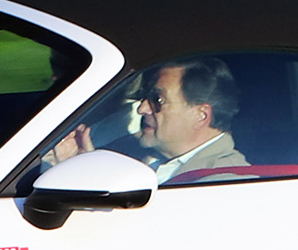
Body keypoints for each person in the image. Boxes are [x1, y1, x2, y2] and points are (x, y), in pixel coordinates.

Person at [46, 57, 249, 183]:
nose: (142, 109)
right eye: (145, 98)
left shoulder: (227, 182)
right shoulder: (127, 150)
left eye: (157, 100)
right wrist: (76, 167)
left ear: (201, 116)